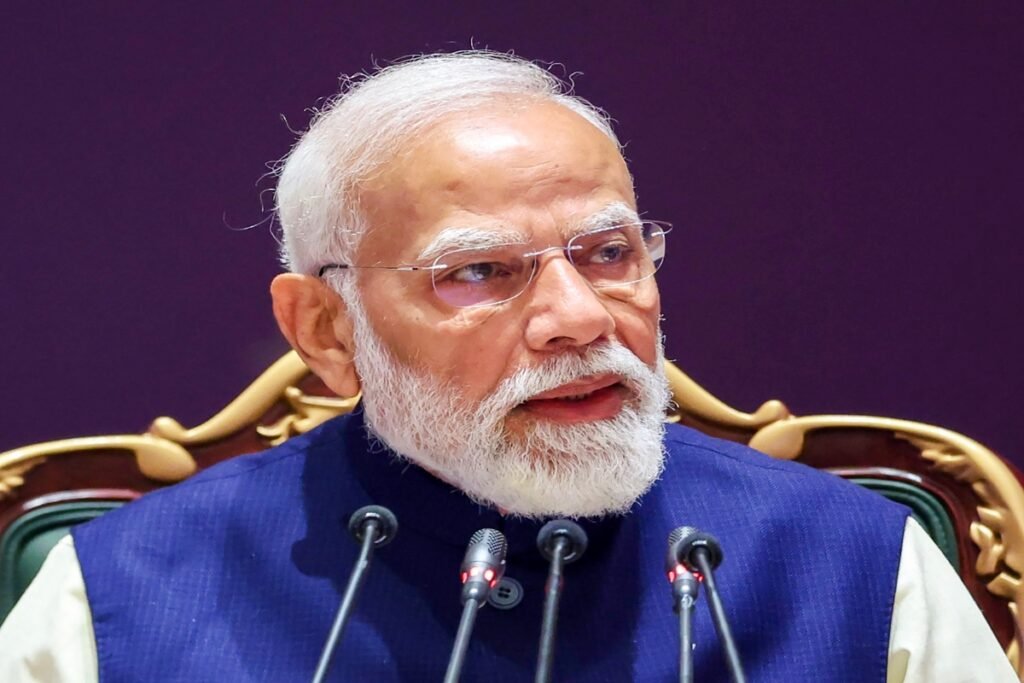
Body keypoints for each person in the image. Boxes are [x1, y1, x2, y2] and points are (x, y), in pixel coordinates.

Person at [0, 51, 1014, 682]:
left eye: (608, 252)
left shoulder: (855, 566)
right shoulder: (120, 596)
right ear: (324, 327)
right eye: (478, 271)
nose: (576, 319)